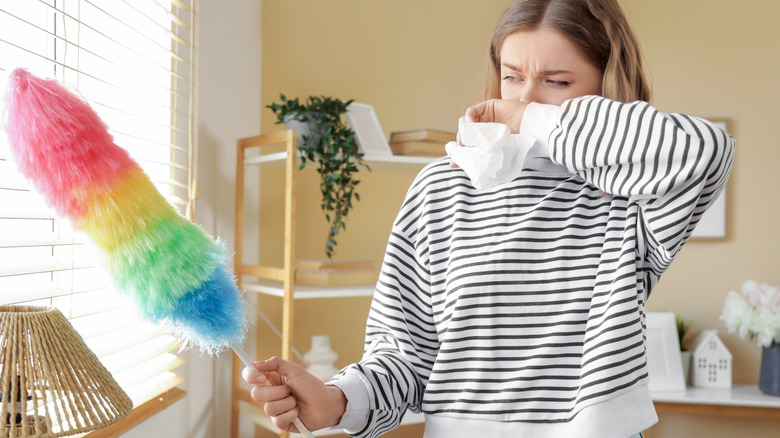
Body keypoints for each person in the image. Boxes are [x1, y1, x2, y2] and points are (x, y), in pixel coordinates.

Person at [243, 1, 735, 437]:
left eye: (557, 82)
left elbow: (705, 149)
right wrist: (337, 402)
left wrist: (530, 121)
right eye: (512, 76)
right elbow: (405, 355)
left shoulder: (629, 198)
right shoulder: (439, 189)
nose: (523, 100)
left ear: (606, 84)